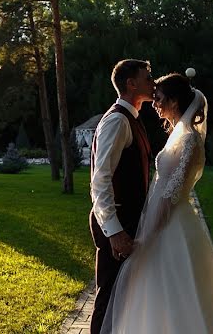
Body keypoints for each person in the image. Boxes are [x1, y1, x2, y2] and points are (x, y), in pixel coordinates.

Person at [101, 73, 213, 333]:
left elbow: (171, 195)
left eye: (159, 98)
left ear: (174, 102)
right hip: (167, 220)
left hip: (172, 225)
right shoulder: (178, 135)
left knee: (179, 291)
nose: (155, 103)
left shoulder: (189, 141)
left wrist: (148, 235)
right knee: (158, 293)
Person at [88, 59, 155, 334]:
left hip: (128, 220)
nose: (153, 82)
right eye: (148, 77)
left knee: (124, 299)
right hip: (116, 222)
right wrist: (115, 232)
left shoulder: (133, 118)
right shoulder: (117, 121)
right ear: (131, 83)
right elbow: (100, 180)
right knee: (109, 297)